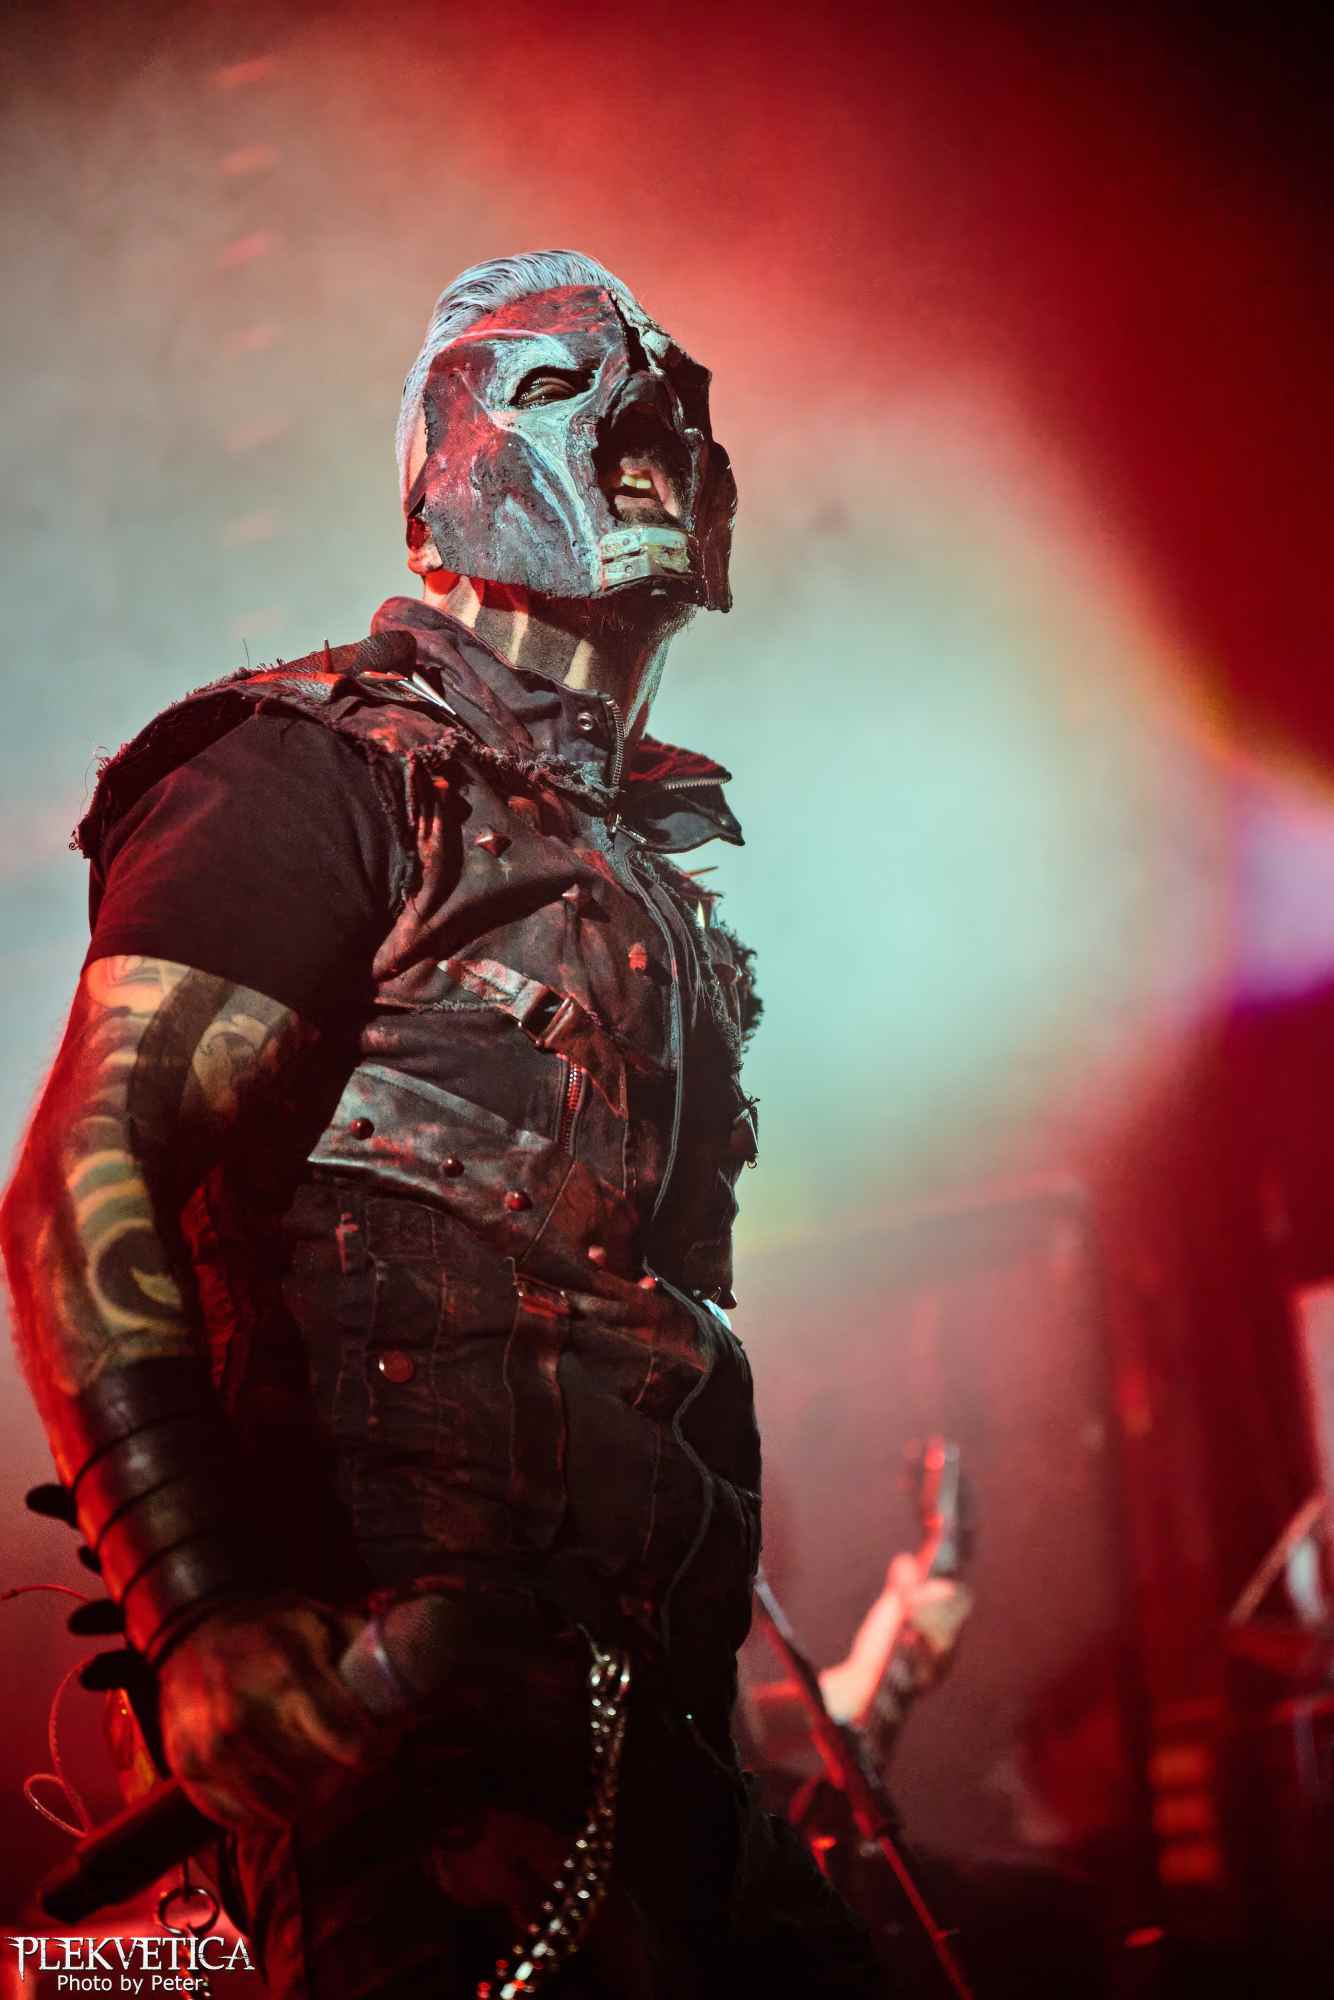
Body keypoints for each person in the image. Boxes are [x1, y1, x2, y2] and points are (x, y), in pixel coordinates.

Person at [0, 252, 886, 1997]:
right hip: (398, 1773)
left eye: (673, 406)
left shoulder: (642, 882)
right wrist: (198, 1605)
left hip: (654, 1753)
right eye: (560, 390)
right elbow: (87, 1171)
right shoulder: (303, 772)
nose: (643, 423)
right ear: (433, 496)